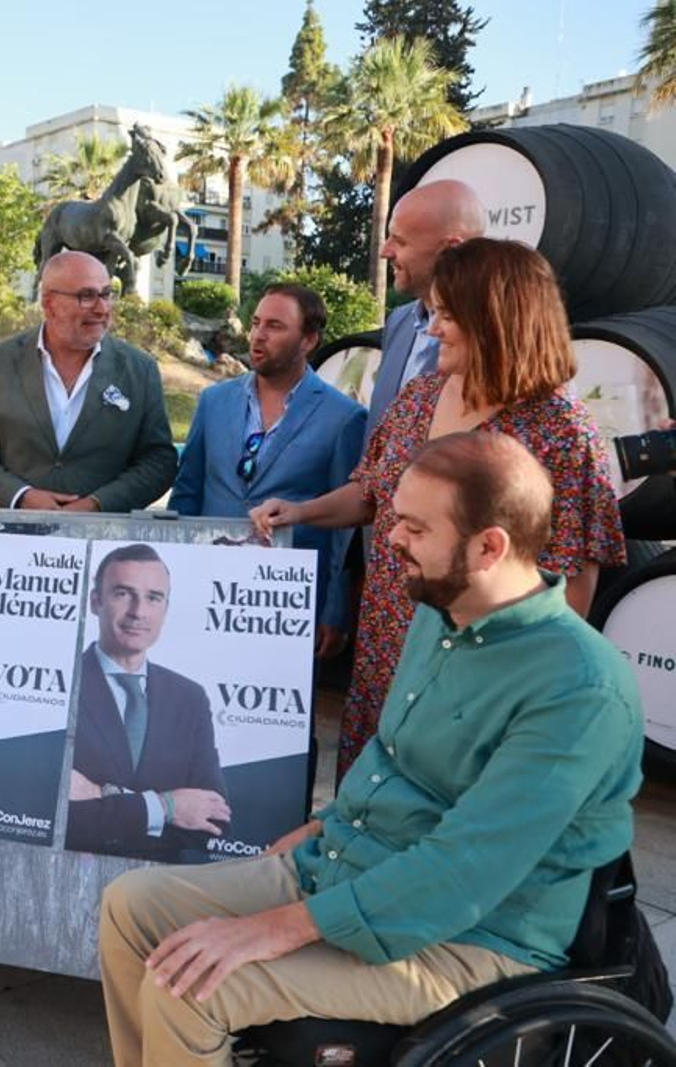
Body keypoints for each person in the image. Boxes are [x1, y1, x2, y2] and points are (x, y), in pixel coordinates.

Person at [98, 431, 643, 1067]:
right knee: (130, 908)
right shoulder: (442, 611)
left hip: (474, 938)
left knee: (190, 986)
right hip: (350, 867)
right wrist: (321, 824)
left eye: (416, 527)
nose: (391, 540)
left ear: (489, 546)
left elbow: (463, 870)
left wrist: (275, 928)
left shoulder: (579, 686)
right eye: (395, 519)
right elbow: (395, 757)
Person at [252, 239, 625, 779]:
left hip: (479, 679)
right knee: (369, 804)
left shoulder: (562, 432)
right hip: (387, 658)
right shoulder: (420, 397)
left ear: (496, 318)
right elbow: (370, 493)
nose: (432, 332)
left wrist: (523, 693)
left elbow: (573, 586)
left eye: (447, 316)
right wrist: (299, 512)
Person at [173, 285, 366, 656]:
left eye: (275, 326)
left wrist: (334, 609)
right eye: (256, 323)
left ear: (308, 340)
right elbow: (187, 492)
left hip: (288, 605)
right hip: (207, 586)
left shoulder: (344, 417)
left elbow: (346, 529)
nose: (258, 335)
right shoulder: (213, 401)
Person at [0, 250, 177, 512]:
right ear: (49, 303)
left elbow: (159, 461)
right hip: (13, 531)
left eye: (106, 294)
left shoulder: (140, 370)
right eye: (86, 296)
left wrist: (97, 504)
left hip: (104, 533)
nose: (102, 308)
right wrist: (21, 497)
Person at [66, 544, 228, 863]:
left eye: (153, 598)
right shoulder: (60, 683)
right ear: (95, 602)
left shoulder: (189, 697)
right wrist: (169, 808)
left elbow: (215, 823)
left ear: (165, 609)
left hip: (161, 878)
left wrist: (103, 796)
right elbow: (53, 817)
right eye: (123, 594)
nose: (138, 611)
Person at [366, 180, 485, 442]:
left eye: (399, 241)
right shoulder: (398, 322)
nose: (385, 251)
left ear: (451, 250)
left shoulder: (492, 334)